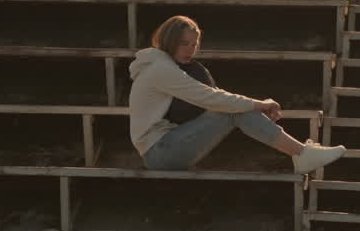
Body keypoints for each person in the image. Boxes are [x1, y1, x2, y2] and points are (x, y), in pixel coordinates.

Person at [129, 14, 346, 174]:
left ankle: (301, 154)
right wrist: (259, 104)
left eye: (194, 44)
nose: (190, 50)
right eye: (184, 44)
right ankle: (301, 154)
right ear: (169, 41)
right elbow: (209, 98)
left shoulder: (162, 65)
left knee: (235, 108)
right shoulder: (160, 69)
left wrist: (254, 105)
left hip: (166, 146)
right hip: (160, 152)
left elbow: (214, 94)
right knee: (231, 111)